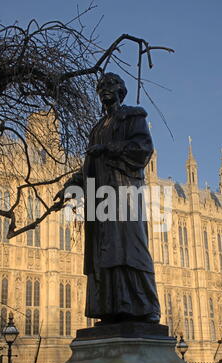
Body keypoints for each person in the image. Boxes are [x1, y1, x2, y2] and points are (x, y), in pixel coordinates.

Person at [54, 72, 160, 325]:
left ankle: (145, 307)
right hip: (100, 200)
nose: (104, 90)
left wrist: (109, 148)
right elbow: (88, 166)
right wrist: (72, 185)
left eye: (110, 85)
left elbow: (143, 149)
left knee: (131, 250)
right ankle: (112, 308)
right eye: (101, 87)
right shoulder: (96, 129)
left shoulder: (134, 116)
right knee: (104, 253)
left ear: (121, 91)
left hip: (124, 194)